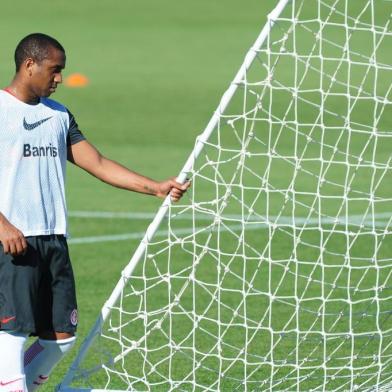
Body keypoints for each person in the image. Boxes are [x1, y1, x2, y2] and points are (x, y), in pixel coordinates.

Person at [0, 33, 189, 392]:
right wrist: (2, 225)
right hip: (12, 244)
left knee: (61, 338)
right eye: (54, 70)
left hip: (54, 240)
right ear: (29, 65)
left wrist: (155, 187)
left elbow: (98, 163)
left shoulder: (58, 115)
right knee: (10, 337)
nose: (59, 79)